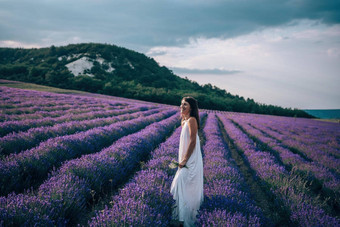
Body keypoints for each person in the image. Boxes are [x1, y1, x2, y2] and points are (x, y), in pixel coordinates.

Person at [170, 96, 204, 227]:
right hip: (184, 159)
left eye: (185, 105)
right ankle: (182, 218)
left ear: (191, 108)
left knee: (183, 185)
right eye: (181, 104)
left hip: (191, 160)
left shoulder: (192, 120)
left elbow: (192, 142)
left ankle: (187, 219)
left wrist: (184, 160)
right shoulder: (184, 122)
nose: (182, 107)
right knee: (182, 187)